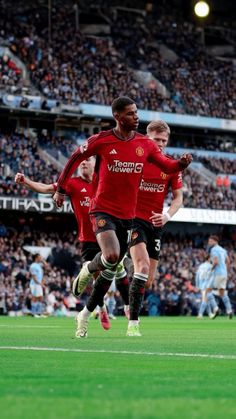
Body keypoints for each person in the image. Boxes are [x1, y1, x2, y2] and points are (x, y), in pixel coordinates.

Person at [53, 96, 192, 338]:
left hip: (127, 217)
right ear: (118, 117)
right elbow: (75, 156)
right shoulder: (103, 140)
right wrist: (61, 188)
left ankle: (85, 313)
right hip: (103, 210)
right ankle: (90, 272)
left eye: (137, 112)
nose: (136, 117)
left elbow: (167, 167)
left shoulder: (144, 145)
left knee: (110, 269)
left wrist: (180, 164)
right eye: (130, 113)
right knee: (112, 256)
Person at [15, 157, 130, 328]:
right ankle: (102, 308)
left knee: (107, 275)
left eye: (88, 160)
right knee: (95, 276)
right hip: (88, 240)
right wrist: (25, 181)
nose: (83, 162)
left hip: (107, 236)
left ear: (95, 163)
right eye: (81, 161)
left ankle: (118, 306)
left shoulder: (104, 181)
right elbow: (46, 188)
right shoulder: (72, 183)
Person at [129, 120, 183, 296]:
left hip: (156, 224)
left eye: (163, 141)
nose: (160, 144)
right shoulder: (136, 159)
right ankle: (131, 316)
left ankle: (125, 266)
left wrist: (167, 215)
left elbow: (178, 197)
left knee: (148, 282)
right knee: (142, 267)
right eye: (156, 139)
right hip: (134, 220)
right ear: (147, 138)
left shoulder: (172, 166)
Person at [206, 235, 233, 319]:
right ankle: (229, 310)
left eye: (210, 241)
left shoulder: (214, 250)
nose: (209, 243)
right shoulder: (223, 250)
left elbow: (216, 262)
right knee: (222, 293)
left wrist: (210, 269)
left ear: (215, 241)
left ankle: (215, 308)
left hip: (217, 273)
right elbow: (228, 261)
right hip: (224, 274)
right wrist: (226, 271)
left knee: (208, 291)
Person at [195, 253, 219, 319]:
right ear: (208, 259)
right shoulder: (210, 266)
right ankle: (212, 311)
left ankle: (205, 314)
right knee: (206, 300)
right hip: (208, 285)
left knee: (205, 299)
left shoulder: (200, 266)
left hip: (202, 285)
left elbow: (197, 276)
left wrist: (197, 285)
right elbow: (213, 275)